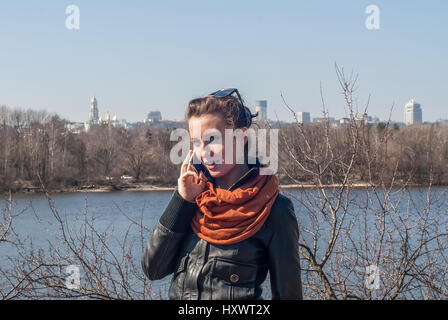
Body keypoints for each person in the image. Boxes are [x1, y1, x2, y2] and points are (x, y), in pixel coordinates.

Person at [141, 88, 303, 300]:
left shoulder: (275, 210)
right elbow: (153, 270)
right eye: (197, 142)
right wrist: (182, 200)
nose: (203, 151)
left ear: (242, 137)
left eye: (212, 139)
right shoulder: (194, 199)